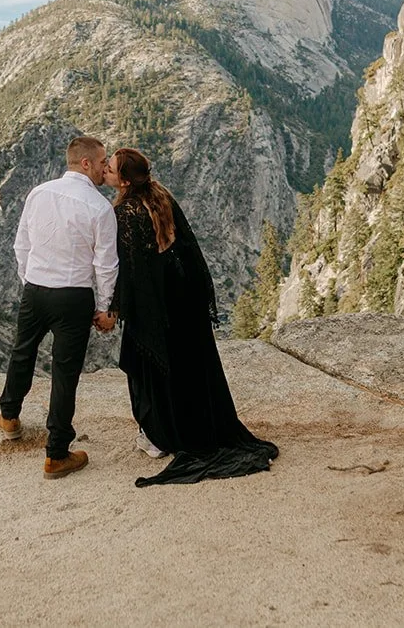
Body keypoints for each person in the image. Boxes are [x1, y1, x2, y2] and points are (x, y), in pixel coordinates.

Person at [103, 147, 279, 486]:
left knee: (148, 364)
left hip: (159, 298)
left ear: (124, 179)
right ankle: (190, 425)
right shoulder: (159, 195)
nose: (105, 170)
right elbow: (185, 246)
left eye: (110, 168)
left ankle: (158, 436)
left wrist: (114, 309)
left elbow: (129, 270)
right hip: (184, 291)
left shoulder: (125, 212)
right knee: (190, 364)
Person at [0, 135, 119, 479]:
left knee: (23, 351)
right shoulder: (99, 208)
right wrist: (105, 307)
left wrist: (30, 281)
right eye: (101, 162)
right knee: (64, 373)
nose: (103, 168)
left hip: (36, 290)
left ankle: (9, 417)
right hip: (73, 296)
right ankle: (57, 453)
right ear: (85, 163)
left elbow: (22, 244)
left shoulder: (39, 192)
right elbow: (105, 266)